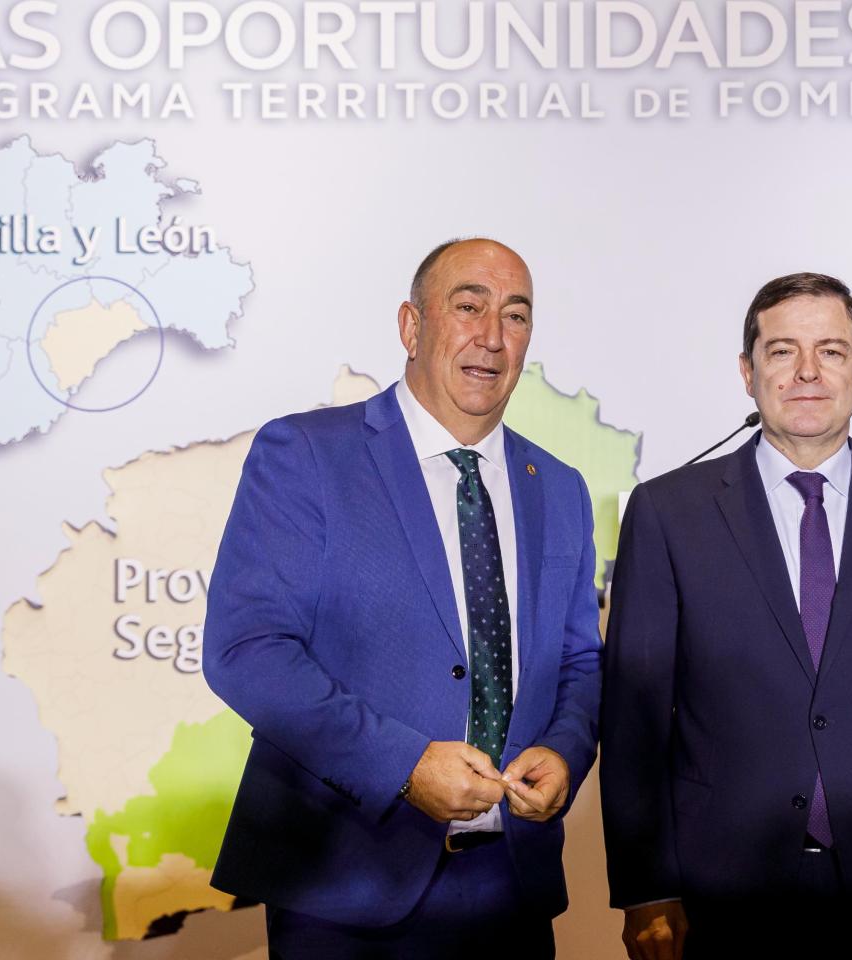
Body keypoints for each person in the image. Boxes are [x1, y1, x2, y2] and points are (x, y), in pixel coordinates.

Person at [203, 238, 602, 958]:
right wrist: (404, 765)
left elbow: (579, 659)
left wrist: (565, 751)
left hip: (513, 890)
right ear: (411, 327)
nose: (491, 337)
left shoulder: (563, 488)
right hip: (345, 891)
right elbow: (248, 652)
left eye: (515, 316)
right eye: (468, 306)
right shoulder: (306, 456)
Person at [601, 272, 852, 959]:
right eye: (783, 351)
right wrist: (646, 889)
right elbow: (636, 718)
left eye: (833, 352)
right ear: (747, 372)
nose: (808, 372)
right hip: (716, 892)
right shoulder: (669, 514)